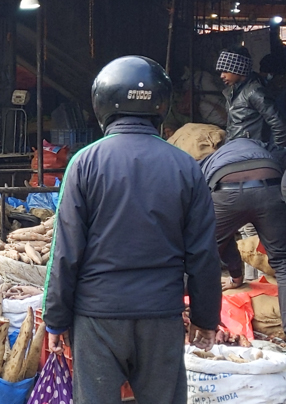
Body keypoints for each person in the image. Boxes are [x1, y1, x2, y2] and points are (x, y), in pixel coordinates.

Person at [43, 56, 222, 404]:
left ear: (103, 103)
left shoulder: (84, 163)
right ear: (161, 105)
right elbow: (203, 253)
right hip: (161, 315)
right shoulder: (185, 166)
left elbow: (65, 252)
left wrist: (55, 319)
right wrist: (205, 317)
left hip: (98, 317)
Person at [198, 138, 286, 334]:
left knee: (203, 257)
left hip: (225, 192)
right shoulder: (265, 147)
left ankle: (203, 327)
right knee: (283, 263)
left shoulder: (208, 161)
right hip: (270, 188)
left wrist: (235, 276)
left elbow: (222, 242)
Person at [217, 47, 286, 146]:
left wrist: (275, 152)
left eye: (225, 71)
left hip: (250, 152)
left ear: (238, 68)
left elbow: (279, 125)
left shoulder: (255, 92)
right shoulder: (233, 92)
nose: (222, 76)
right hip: (236, 148)